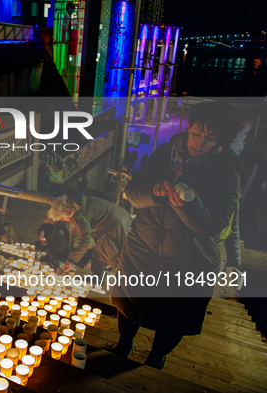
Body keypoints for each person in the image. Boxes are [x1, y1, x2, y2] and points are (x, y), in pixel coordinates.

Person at [110, 101, 240, 369]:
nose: (199, 142)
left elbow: (218, 226)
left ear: (220, 143)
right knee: (128, 306)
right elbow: (132, 193)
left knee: (172, 318)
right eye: (196, 133)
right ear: (189, 128)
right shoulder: (165, 154)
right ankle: (123, 344)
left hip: (188, 262)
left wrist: (188, 206)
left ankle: (156, 357)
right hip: (141, 251)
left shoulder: (226, 172)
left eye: (209, 138)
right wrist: (154, 193)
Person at [46, 193, 133, 276]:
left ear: (67, 210)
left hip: (114, 228)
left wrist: (70, 260)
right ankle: (98, 278)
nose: (62, 220)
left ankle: (123, 282)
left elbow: (85, 240)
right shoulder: (78, 202)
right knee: (97, 253)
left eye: (61, 217)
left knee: (116, 257)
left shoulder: (79, 217)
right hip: (122, 218)